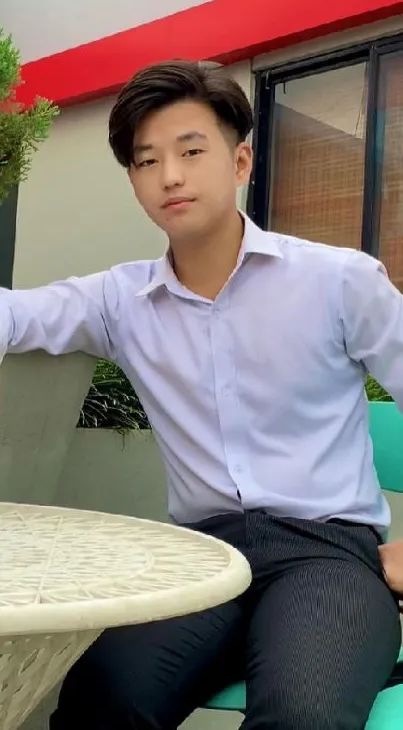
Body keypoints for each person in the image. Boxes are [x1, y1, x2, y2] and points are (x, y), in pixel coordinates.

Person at [0, 60, 402, 730]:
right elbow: (13, 318)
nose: (170, 176)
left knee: (301, 716)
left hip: (325, 552)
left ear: (240, 160)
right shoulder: (118, 301)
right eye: (146, 160)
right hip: (201, 557)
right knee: (99, 702)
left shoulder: (338, 282)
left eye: (191, 151)